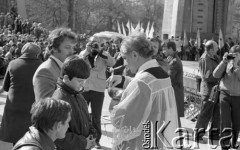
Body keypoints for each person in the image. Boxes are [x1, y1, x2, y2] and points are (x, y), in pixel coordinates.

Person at [107, 35, 180, 150]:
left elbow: (125, 122)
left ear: (135, 55)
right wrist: (124, 80)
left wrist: (115, 104)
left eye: (125, 58)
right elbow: (149, 87)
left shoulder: (142, 82)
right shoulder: (160, 72)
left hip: (142, 142)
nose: (125, 63)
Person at [0, 43, 43, 145]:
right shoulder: (42, 65)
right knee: (32, 141)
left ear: (23, 51)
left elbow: (6, 87)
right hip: (34, 108)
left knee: (17, 140)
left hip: (14, 106)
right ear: (37, 53)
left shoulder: (13, 63)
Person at [52, 56, 96, 150]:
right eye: (80, 81)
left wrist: (92, 134)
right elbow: (58, 135)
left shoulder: (77, 94)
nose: (82, 84)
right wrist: (84, 143)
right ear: (66, 78)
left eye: (84, 81)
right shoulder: (59, 100)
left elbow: (86, 118)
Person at [79, 35, 115, 149]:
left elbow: (112, 63)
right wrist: (86, 50)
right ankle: (83, 139)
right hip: (85, 87)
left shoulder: (104, 54)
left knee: (96, 116)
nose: (94, 46)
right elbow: (78, 62)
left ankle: (96, 140)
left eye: (96, 44)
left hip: (98, 89)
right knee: (82, 115)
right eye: (92, 44)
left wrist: (100, 51)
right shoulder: (83, 53)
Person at [33, 27, 77, 101]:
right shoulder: (46, 71)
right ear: (54, 48)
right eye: (67, 47)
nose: (71, 51)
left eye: (72, 47)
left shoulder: (63, 66)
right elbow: (45, 107)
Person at [193, 40, 221, 142]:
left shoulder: (216, 57)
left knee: (217, 114)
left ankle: (214, 135)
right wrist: (220, 76)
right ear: (210, 50)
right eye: (216, 47)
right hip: (209, 91)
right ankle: (198, 135)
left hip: (217, 90)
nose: (218, 49)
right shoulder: (204, 59)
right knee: (205, 114)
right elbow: (207, 76)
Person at [213, 45, 240, 150]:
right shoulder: (227, 62)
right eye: (233, 54)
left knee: (236, 122)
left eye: (237, 55)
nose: (234, 57)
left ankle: (234, 141)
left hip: (238, 96)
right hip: (225, 94)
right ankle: (225, 144)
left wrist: (237, 67)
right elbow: (215, 74)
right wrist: (223, 62)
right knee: (225, 120)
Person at [162, 41, 184, 118]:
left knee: (174, 118)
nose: (163, 52)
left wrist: (165, 65)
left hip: (174, 93)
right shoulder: (172, 60)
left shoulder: (174, 62)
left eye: (165, 49)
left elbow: (167, 78)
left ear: (170, 49)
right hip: (174, 92)